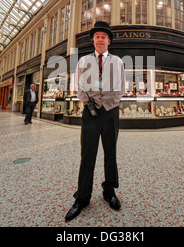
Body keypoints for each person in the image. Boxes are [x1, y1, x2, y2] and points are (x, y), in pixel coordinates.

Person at [65, 21, 126, 221]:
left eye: (104, 36)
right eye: (97, 36)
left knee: (111, 153)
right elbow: (79, 86)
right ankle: (82, 197)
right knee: (87, 155)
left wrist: (110, 103)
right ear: (93, 40)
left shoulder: (118, 61)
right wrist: (89, 104)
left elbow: (122, 87)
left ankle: (109, 191)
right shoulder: (83, 61)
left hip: (111, 113)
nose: (100, 40)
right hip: (90, 113)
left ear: (109, 41)